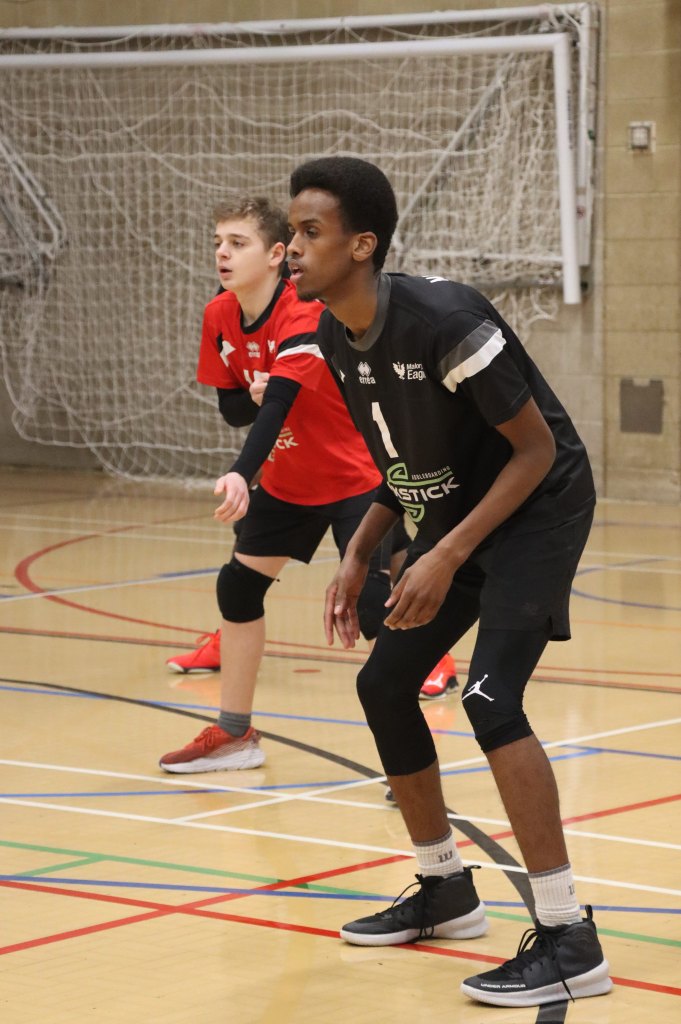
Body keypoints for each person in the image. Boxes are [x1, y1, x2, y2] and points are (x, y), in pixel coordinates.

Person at [286, 157, 612, 1009]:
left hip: (537, 505)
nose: (292, 248)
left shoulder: (444, 319)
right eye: (289, 232)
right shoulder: (335, 336)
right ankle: (444, 888)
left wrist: (443, 555)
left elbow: (535, 450)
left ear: (362, 245)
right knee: (383, 683)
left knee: (490, 700)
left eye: (309, 232)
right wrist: (361, 550)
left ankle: (568, 935)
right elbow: (403, 464)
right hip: (460, 511)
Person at [159, 196, 452, 776]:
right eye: (218, 242)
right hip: (290, 481)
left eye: (237, 243)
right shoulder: (219, 315)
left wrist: (241, 470)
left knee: (375, 609)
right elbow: (235, 409)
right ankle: (236, 735)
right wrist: (258, 398)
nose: (222, 253)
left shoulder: (302, 311)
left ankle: (414, 762)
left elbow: (279, 404)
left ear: (275, 255)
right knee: (238, 589)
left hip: (354, 478)